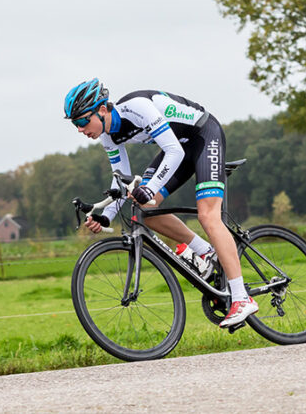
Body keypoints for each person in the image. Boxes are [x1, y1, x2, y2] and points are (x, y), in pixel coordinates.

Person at [63, 78, 258, 328]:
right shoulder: (107, 137)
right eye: (75, 125)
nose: (80, 129)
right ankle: (206, 252)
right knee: (144, 207)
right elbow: (120, 182)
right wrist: (106, 216)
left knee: (208, 215)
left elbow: (174, 152)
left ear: (102, 110)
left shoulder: (137, 108)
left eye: (82, 121)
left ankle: (242, 298)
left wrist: (150, 187)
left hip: (203, 135)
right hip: (178, 148)